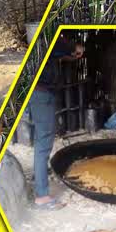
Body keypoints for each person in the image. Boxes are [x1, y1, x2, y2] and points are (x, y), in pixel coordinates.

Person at [27, 37, 85, 209]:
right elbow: (62, 45)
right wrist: (75, 47)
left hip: (39, 91)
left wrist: (69, 55)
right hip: (40, 92)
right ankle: (42, 196)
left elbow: (55, 55)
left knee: (41, 137)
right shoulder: (50, 36)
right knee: (43, 142)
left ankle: (39, 175)